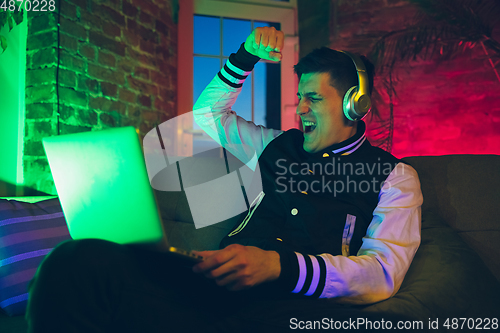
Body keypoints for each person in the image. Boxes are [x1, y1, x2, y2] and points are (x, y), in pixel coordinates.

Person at [26, 27, 423, 332]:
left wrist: (278, 267)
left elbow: (382, 273)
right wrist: (246, 56)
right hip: (212, 286)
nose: (299, 108)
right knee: (75, 261)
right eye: (300, 96)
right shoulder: (275, 145)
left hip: (290, 308)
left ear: (355, 104)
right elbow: (207, 118)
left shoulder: (394, 176)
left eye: (313, 99)